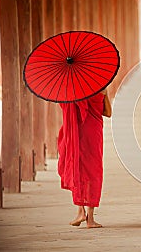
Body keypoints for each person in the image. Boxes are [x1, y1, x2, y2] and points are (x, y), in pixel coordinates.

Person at [58, 89, 112, 228]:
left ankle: (80, 211)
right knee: (93, 171)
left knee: (78, 166)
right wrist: (104, 96)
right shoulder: (101, 88)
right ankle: (91, 218)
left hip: (77, 131)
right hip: (93, 132)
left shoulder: (72, 90)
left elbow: (64, 105)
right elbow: (108, 113)